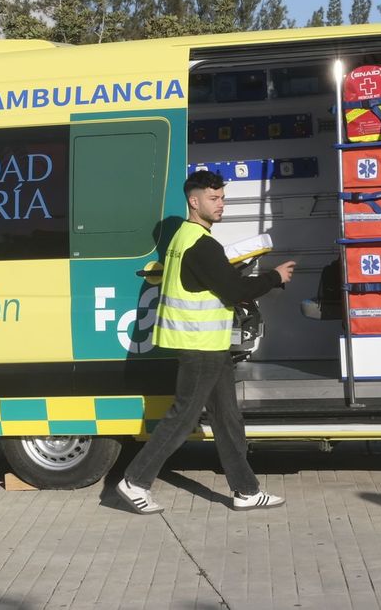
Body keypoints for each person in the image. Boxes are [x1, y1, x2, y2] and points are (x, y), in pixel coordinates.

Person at [115, 170, 296, 514]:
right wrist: (275, 277)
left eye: (222, 198)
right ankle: (135, 481)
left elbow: (213, 284)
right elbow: (235, 291)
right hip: (199, 346)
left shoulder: (183, 238)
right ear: (193, 202)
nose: (221, 204)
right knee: (183, 418)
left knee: (227, 418)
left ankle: (245, 490)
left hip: (209, 346)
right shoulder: (201, 244)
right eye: (213, 199)